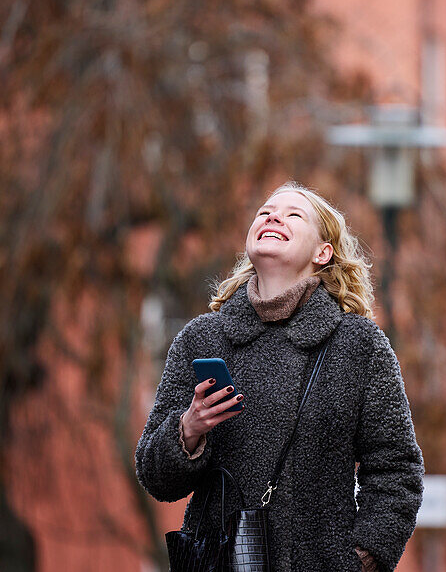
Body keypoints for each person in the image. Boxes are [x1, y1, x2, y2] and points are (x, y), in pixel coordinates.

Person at [135, 182, 424, 572]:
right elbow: (155, 477)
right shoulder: (201, 338)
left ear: (323, 253)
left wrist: (360, 561)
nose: (273, 217)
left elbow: (397, 470)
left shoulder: (358, 345)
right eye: (265, 212)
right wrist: (187, 430)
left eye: (293, 215)